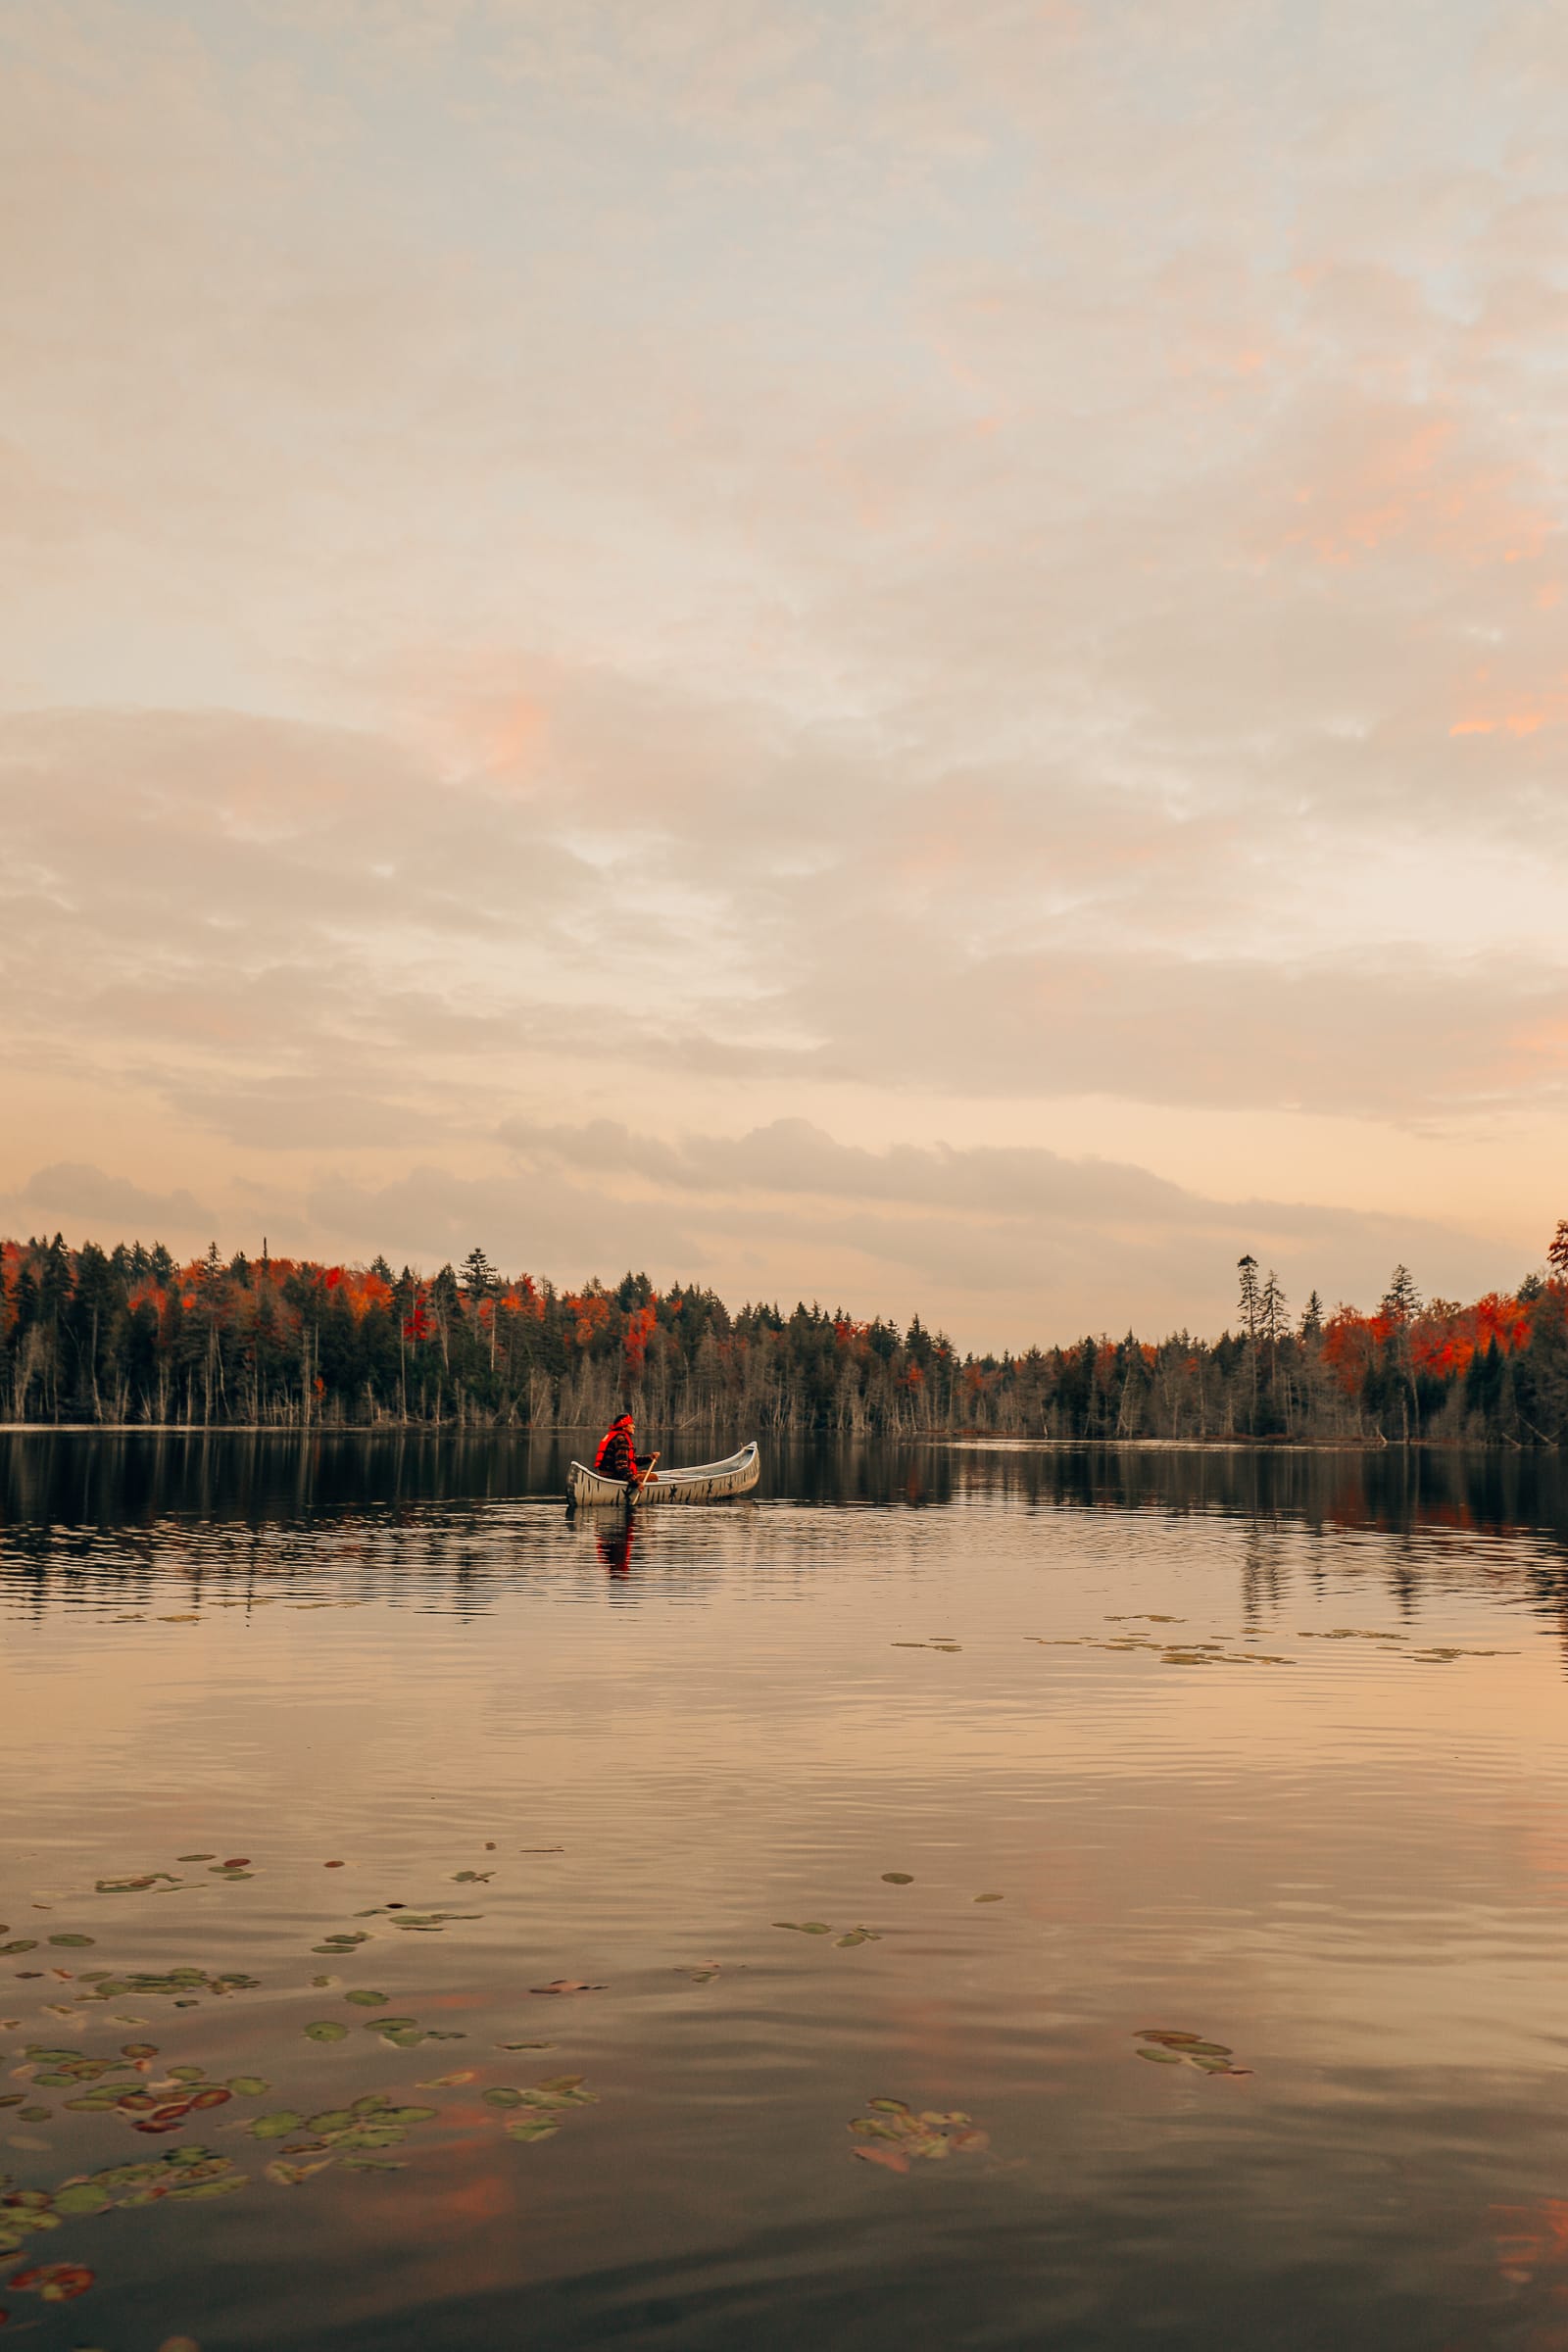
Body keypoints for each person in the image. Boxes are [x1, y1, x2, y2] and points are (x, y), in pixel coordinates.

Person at [593, 1412, 657, 1487]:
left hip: (606, 1474)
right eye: (631, 1424)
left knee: (645, 1472)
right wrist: (636, 1483)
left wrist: (649, 1458)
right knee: (654, 1477)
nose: (634, 1426)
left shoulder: (615, 1436)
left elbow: (631, 1459)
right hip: (614, 1476)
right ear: (624, 1427)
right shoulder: (621, 1440)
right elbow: (621, 1466)